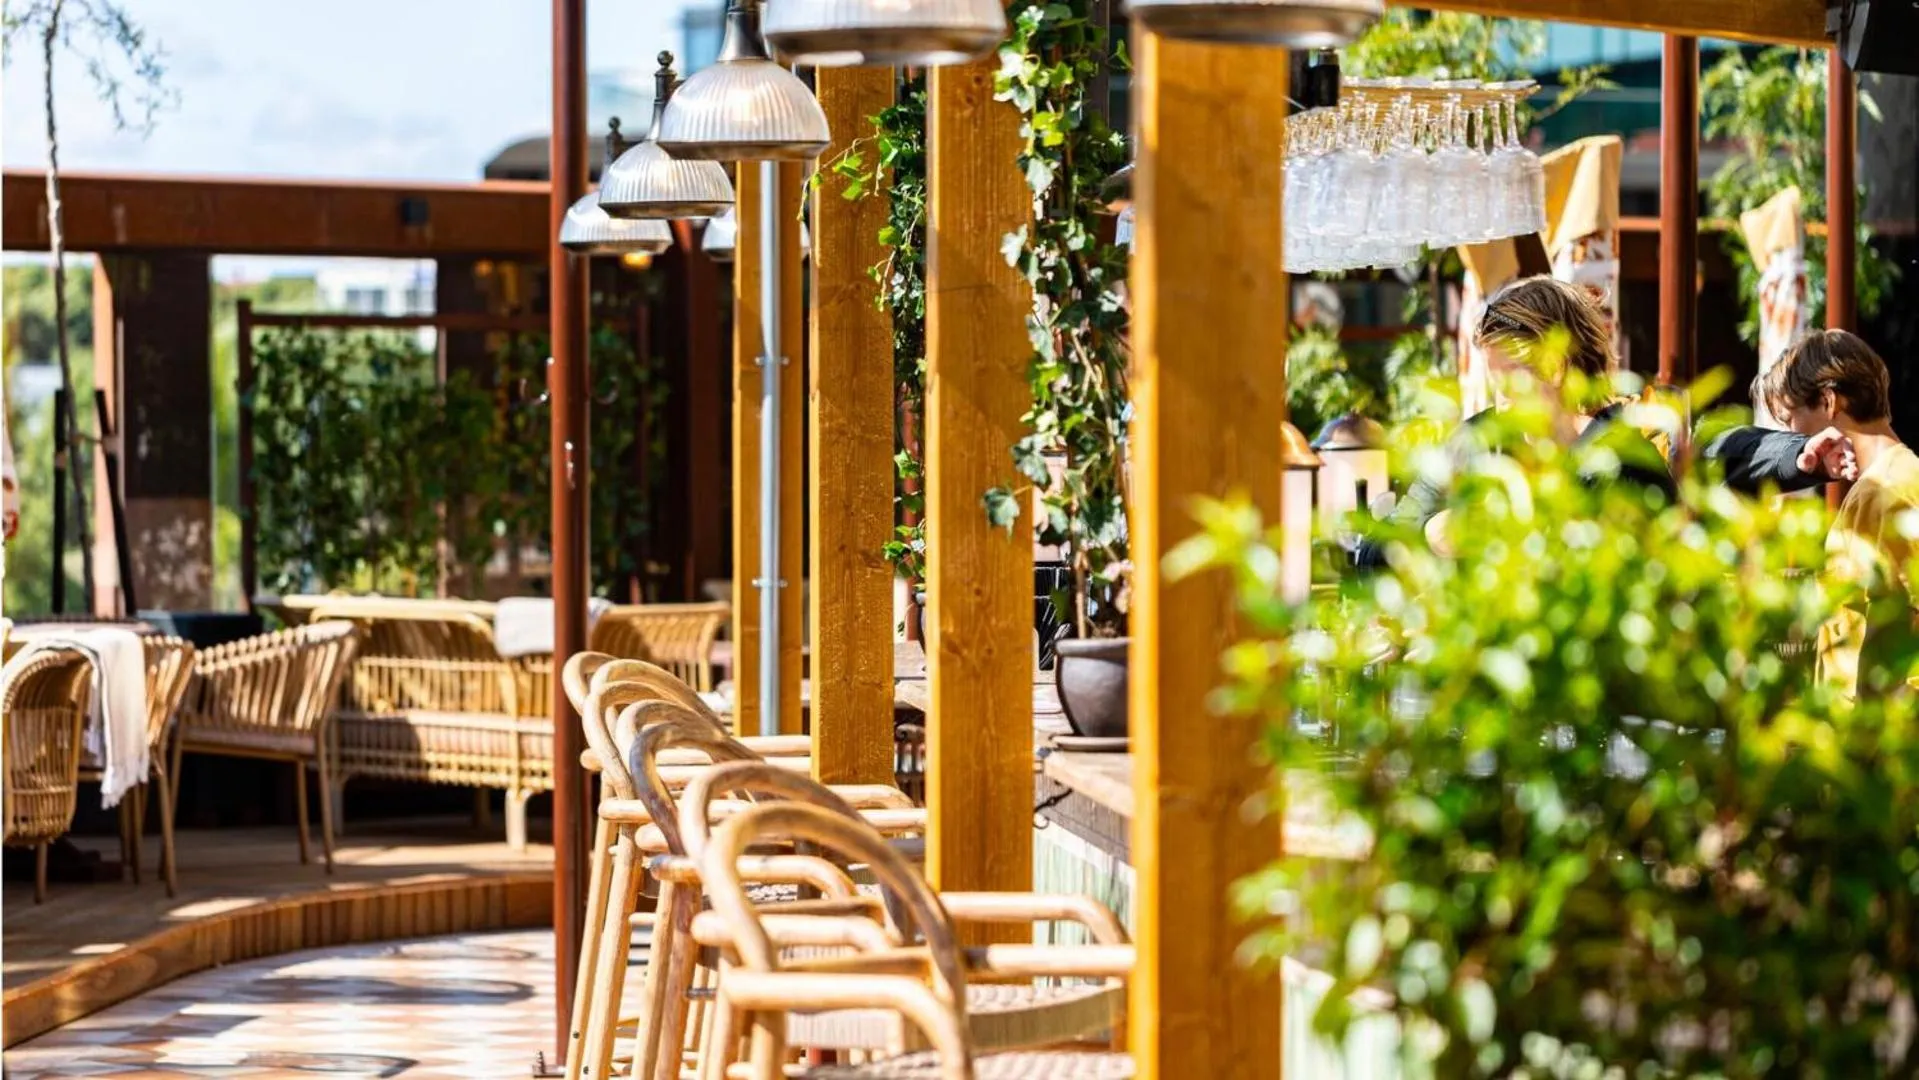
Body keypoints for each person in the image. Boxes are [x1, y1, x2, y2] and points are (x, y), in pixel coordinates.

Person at [1352, 275, 1673, 568]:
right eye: (1495, 385)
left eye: (1510, 383)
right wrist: (1433, 534)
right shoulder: (1475, 441)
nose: (1501, 402)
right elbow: (1369, 556)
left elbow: (1670, 577)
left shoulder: (1623, 463)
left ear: (1556, 369)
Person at [1761, 329, 1919, 694]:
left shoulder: (1881, 491)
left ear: (1829, 401)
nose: (1792, 434)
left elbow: (1891, 626)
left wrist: (1863, 726)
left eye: (1790, 418)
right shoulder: (1899, 475)